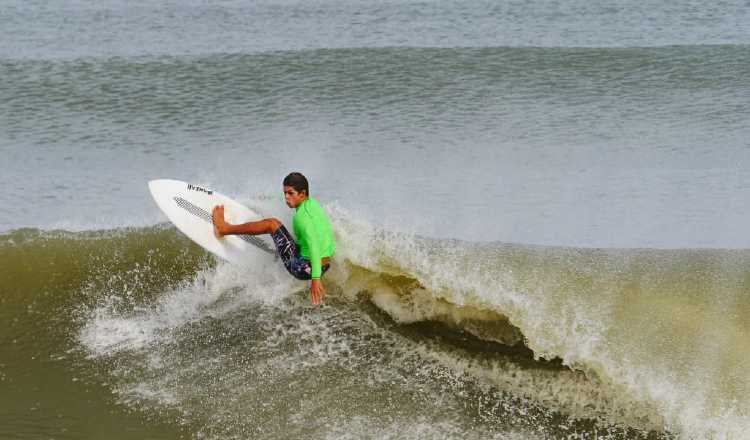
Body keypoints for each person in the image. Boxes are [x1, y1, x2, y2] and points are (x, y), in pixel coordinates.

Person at [211, 172, 336, 305]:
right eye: (285, 193)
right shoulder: (313, 205)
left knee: (272, 224)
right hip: (325, 265)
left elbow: (314, 245)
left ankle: (224, 229)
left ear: (302, 193)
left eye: (290, 193)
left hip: (303, 268)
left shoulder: (302, 218)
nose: (286, 197)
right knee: (293, 238)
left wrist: (315, 279)